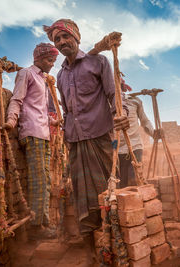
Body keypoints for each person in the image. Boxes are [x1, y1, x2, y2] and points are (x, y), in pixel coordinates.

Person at [43, 19, 129, 261]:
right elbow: (68, 111)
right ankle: (95, 250)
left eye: (65, 37)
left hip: (100, 138)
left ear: (76, 37)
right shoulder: (60, 75)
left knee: (107, 194)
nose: (61, 42)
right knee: (83, 199)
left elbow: (114, 96)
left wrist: (122, 116)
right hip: (76, 142)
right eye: (57, 39)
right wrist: (65, 132)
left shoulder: (98, 62)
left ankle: (116, 247)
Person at [3, 43, 59, 240]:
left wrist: (54, 121)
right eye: (48, 60)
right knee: (38, 180)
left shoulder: (44, 79)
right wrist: (11, 120)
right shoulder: (26, 73)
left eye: (53, 61)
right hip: (32, 132)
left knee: (46, 179)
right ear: (37, 58)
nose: (52, 64)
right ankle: (37, 228)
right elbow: (17, 100)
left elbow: (40, 108)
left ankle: (42, 223)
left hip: (44, 133)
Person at [118, 79, 155, 188]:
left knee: (134, 180)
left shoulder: (135, 101)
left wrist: (154, 134)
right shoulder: (107, 103)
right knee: (120, 184)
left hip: (135, 146)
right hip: (117, 147)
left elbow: (144, 121)